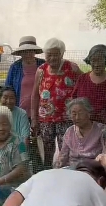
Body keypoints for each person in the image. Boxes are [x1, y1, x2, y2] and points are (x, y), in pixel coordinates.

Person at [31, 38, 82, 169]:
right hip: (45, 119)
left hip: (66, 118)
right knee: (47, 152)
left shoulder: (72, 68)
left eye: (56, 54)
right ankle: (47, 173)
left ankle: (65, 175)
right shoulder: (41, 70)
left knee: (66, 150)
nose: (52, 58)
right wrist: (34, 119)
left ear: (62, 54)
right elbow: (35, 95)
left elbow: (84, 85)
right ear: (45, 55)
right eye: (49, 54)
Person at [72, 45, 106, 128]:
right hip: (84, 126)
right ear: (89, 61)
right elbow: (73, 101)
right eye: (93, 60)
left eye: (100, 60)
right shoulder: (82, 78)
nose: (96, 64)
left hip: (105, 127)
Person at [57, 98, 106, 168]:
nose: (77, 117)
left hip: (93, 169)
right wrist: (59, 162)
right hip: (72, 169)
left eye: (81, 113)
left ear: (88, 114)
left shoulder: (101, 130)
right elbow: (63, 155)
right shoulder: (69, 131)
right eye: (74, 114)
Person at [6, 36, 45, 119]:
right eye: (25, 52)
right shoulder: (15, 67)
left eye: (30, 51)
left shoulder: (43, 65)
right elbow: (8, 88)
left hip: (42, 109)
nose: (28, 54)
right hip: (20, 110)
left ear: (34, 52)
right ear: (20, 53)